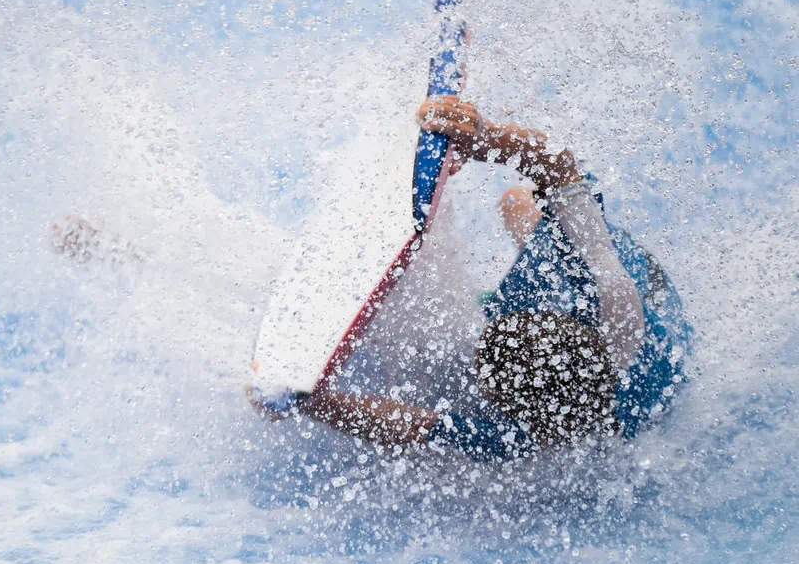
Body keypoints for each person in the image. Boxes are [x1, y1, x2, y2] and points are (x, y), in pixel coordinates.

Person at [250, 96, 693, 462]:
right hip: (642, 289)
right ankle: (526, 237)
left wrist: (308, 403)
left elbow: (413, 423)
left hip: (627, 367)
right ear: (554, 320)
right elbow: (556, 163)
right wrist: (483, 137)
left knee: (445, 343)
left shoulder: (524, 437)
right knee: (517, 201)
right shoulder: (606, 290)